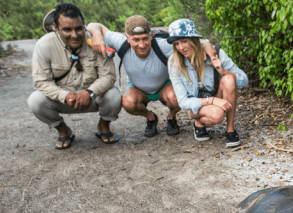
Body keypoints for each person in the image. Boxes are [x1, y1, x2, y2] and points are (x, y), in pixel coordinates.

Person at [87, 17, 218, 137]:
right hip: (137, 88)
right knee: (128, 102)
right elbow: (93, 25)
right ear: (127, 37)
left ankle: (172, 117)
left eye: (145, 38)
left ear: (151, 35)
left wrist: (205, 43)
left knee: (176, 97)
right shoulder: (119, 41)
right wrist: (97, 35)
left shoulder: (163, 45)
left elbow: (188, 42)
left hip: (164, 86)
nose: (142, 45)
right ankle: (151, 118)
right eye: (136, 40)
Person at [28, 3, 122, 149]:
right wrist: (65, 96)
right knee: (35, 101)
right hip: (63, 99)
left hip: (93, 96)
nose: (75, 34)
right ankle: (63, 130)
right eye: (67, 29)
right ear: (56, 27)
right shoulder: (43, 45)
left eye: (78, 28)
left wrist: (89, 93)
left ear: (84, 25)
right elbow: (41, 81)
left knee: (114, 95)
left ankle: (104, 126)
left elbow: (108, 76)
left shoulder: (96, 41)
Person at [167, 19, 248, 147]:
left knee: (228, 79)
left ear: (194, 39)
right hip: (196, 105)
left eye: (184, 41)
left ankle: (230, 130)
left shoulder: (216, 53)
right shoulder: (174, 63)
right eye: (176, 43)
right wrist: (212, 101)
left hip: (217, 95)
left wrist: (223, 71)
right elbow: (183, 102)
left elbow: (244, 80)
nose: (181, 48)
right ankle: (198, 122)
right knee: (217, 116)